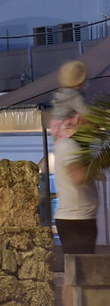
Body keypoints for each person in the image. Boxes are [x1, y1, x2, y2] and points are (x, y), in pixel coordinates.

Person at [51, 58, 98, 255]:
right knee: (80, 269)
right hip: (77, 220)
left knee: (77, 269)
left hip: (80, 218)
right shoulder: (69, 145)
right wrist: (99, 162)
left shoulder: (70, 143)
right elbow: (78, 176)